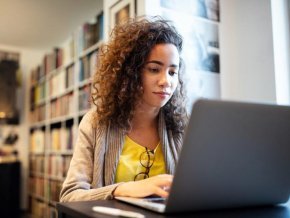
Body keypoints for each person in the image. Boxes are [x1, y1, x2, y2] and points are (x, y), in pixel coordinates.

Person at [60, 16, 188, 202]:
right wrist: (123, 189)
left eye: (172, 72)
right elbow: (69, 196)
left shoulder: (183, 126)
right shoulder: (96, 122)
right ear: (131, 72)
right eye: (154, 69)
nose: (166, 82)